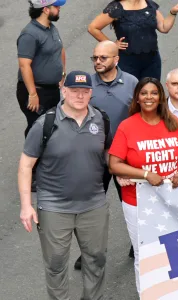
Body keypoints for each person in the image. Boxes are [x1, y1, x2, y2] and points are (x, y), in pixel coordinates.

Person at [18, 71, 110, 300]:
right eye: (75, 90)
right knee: (56, 263)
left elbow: (109, 155)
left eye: (85, 91)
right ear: (64, 91)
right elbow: (25, 166)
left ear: (91, 93)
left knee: (96, 259)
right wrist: (26, 206)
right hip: (55, 208)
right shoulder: (45, 124)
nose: (80, 96)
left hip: (94, 204)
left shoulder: (101, 120)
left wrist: (124, 172)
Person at [109, 77, 178, 292]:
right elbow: (114, 165)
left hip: (171, 200)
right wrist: (145, 174)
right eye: (144, 93)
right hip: (138, 201)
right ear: (137, 97)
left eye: (154, 93)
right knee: (145, 254)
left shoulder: (173, 122)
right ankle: (148, 295)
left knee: (175, 252)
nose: (149, 97)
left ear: (160, 97)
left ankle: (174, 293)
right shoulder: (127, 126)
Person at [88, 0, 178, 80]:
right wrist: (112, 45)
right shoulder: (116, 7)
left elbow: (164, 27)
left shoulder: (150, 5)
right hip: (126, 61)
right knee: (130, 96)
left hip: (152, 61)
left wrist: (173, 13)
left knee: (151, 94)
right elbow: (93, 28)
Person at [90, 40, 138, 199]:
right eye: (95, 58)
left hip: (125, 155)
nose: (97, 62)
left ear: (116, 59)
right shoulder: (87, 85)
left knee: (130, 200)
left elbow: (139, 117)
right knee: (93, 202)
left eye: (103, 58)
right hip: (95, 155)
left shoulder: (132, 83)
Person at [18, 0, 65, 137]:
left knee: (52, 127)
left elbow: (60, 49)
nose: (59, 9)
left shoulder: (51, 28)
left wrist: (62, 74)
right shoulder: (29, 34)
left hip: (52, 89)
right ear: (45, 9)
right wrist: (32, 94)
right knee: (37, 129)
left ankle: (48, 157)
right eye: (56, 6)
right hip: (37, 91)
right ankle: (33, 157)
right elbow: (24, 65)